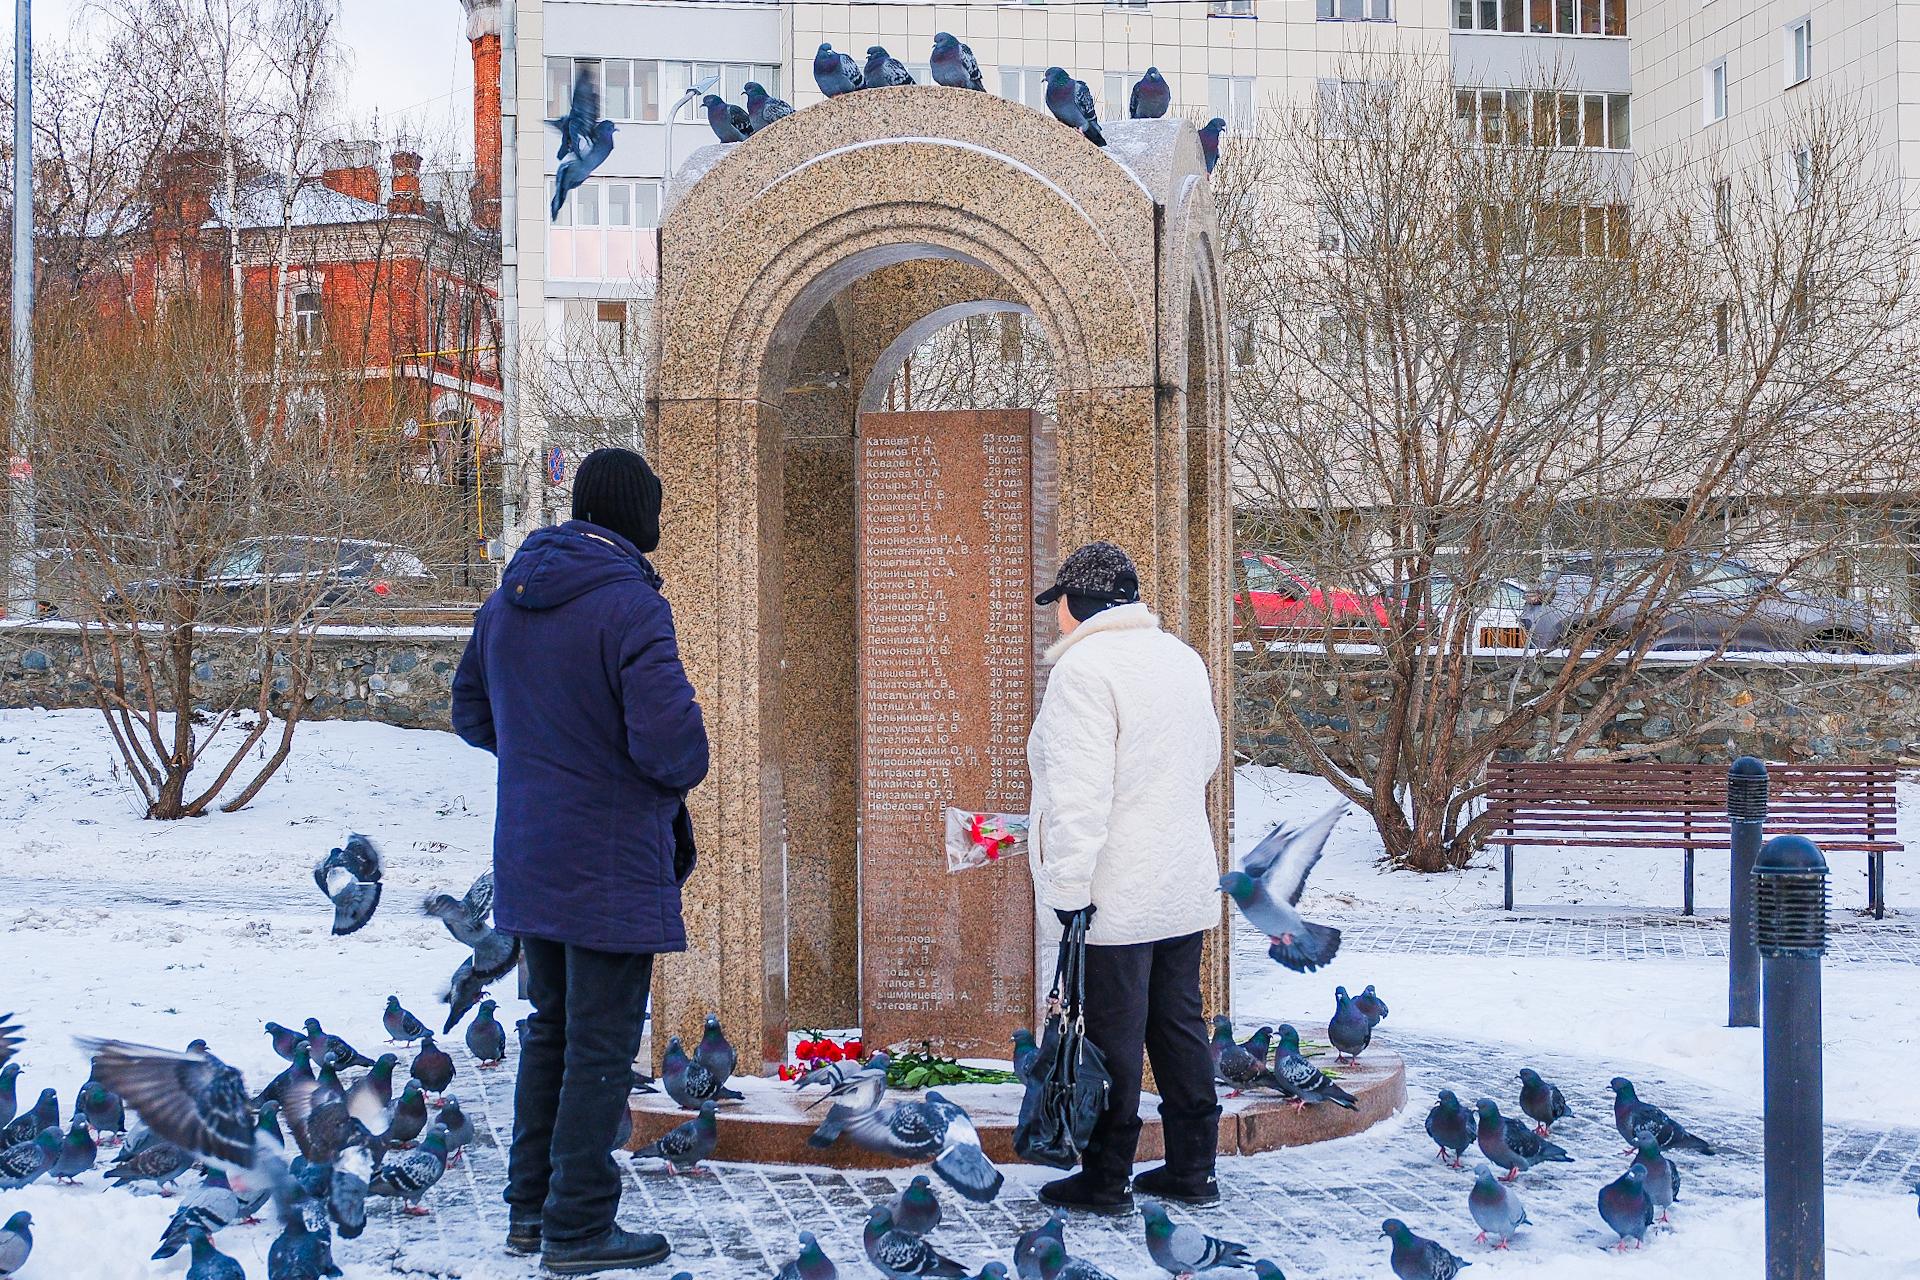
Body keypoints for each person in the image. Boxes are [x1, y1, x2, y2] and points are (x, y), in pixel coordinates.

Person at [451, 447, 709, 1275]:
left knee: (552, 1035)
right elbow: (675, 750)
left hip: (531, 855)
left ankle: (531, 1214)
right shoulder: (630, 608)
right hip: (607, 861)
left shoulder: (506, 600)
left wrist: (542, 760)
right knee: (599, 1047)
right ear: (635, 513)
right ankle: (579, 1227)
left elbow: (470, 713)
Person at [1025, 540, 1224, 1213]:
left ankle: (1105, 1176)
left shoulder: (1083, 672)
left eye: (1060, 606)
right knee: (1177, 1022)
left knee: (1108, 1034)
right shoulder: (1181, 658)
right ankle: (1194, 1169)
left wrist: (1068, 891)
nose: (1057, 620)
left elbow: (1079, 798)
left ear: (1078, 605)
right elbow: (1208, 758)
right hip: (1179, 877)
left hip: (1113, 889)